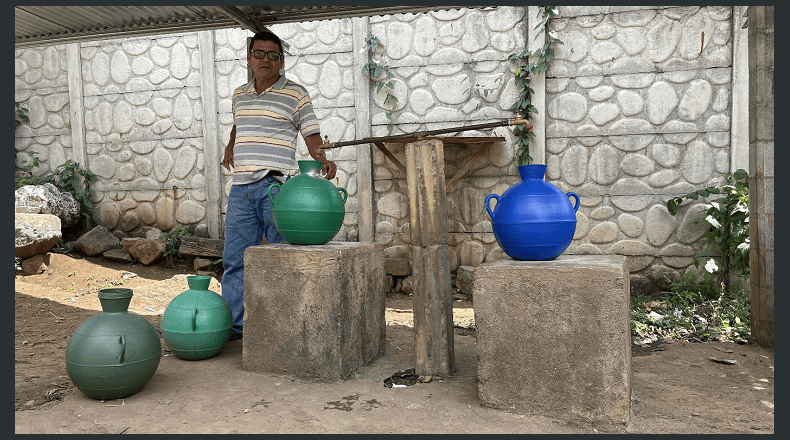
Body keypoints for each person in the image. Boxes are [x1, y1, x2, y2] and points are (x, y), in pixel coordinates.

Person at [221, 31, 337, 340]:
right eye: (259, 54)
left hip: (276, 188)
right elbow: (239, 122)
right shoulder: (239, 95)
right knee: (235, 260)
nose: (265, 60)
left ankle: (285, 326)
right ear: (249, 58)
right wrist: (229, 148)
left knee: (283, 259)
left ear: (282, 61)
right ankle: (236, 327)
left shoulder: (295, 94)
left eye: (273, 55)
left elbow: (311, 134)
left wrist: (323, 159)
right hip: (241, 189)